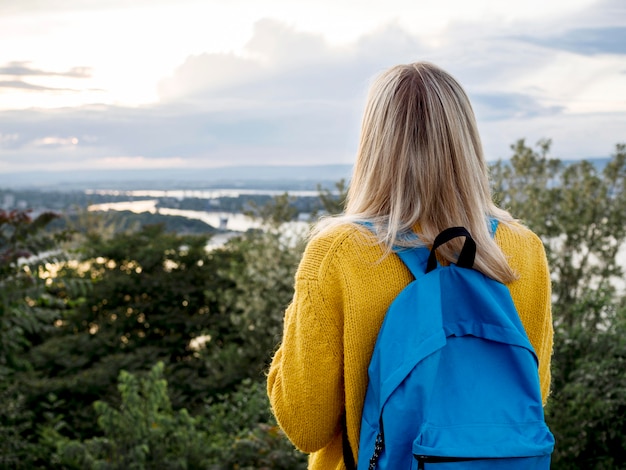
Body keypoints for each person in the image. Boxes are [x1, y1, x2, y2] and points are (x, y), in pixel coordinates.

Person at [266, 61, 554, 469]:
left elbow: (304, 424)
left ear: (372, 144)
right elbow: (529, 395)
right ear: (467, 142)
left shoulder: (340, 253)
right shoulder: (522, 249)